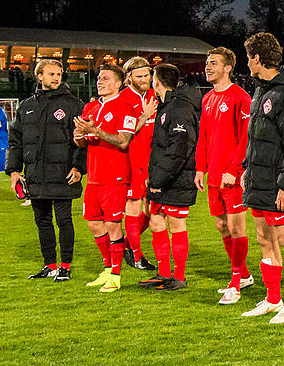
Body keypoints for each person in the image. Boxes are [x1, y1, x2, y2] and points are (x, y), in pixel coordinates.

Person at [238, 33, 284, 324]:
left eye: (248, 57)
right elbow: (255, 138)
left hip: (280, 183)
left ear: (257, 58)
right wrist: (247, 168)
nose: (247, 62)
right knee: (263, 238)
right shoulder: (261, 90)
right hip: (259, 177)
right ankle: (272, 299)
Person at [5, 59, 85, 281]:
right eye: (51, 74)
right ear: (39, 76)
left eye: (59, 74)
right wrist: (13, 171)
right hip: (35, 175)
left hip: (63, 174)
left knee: (64, 220)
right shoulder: (27, 106)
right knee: (42, 221)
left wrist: (79, 167)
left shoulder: (73, 105)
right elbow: (16, 143)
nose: (56, 78)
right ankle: (49, 264)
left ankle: (65, 266)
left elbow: (82, 140)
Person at [194, 47, 255, 305]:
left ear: (228, 67)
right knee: (221, 226)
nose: (208, 67)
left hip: (232, 176)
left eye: (214, 63)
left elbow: (245, 139)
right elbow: (203, 136)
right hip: (213, 175)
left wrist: (234, 170)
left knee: (236, 227)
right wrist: (200, 167)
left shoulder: (241, 98)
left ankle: (235, 283)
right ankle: (245, 274)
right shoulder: (207, 98)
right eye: (207, 63)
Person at [134, 64, 201, 291]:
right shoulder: (167, 106)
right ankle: (163, 273)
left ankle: (178, 276)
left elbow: (180, 149)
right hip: (162, 177)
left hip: (178, 179)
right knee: (155, 221)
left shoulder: (180, 108)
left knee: (176, 224)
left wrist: (159, 179)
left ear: (157, 81)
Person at [73, 64, 139, 293]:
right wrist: (79, 136)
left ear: (119, 83)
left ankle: (116, 275)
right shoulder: (90, 107)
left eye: (106, 78)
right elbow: (82, 142)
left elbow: (123, 141)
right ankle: (107, 267)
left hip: (116, 175)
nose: (100, 81)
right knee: (93, 223)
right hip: (93, 176)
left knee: (112, 224)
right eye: (99, 78)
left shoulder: (126, 107)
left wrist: (97, 131)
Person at [119, 56, 157, 271]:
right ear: (129, 78)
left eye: (147, 75)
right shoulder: (123, 99)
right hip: (132, 161)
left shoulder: (154, 95)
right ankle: (137, 256)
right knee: (133, 208)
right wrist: (144, 116)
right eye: (139, 76)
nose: (144, 79)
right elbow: (125, 134)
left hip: (153, 161)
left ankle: (124, 244)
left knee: (152, 210)